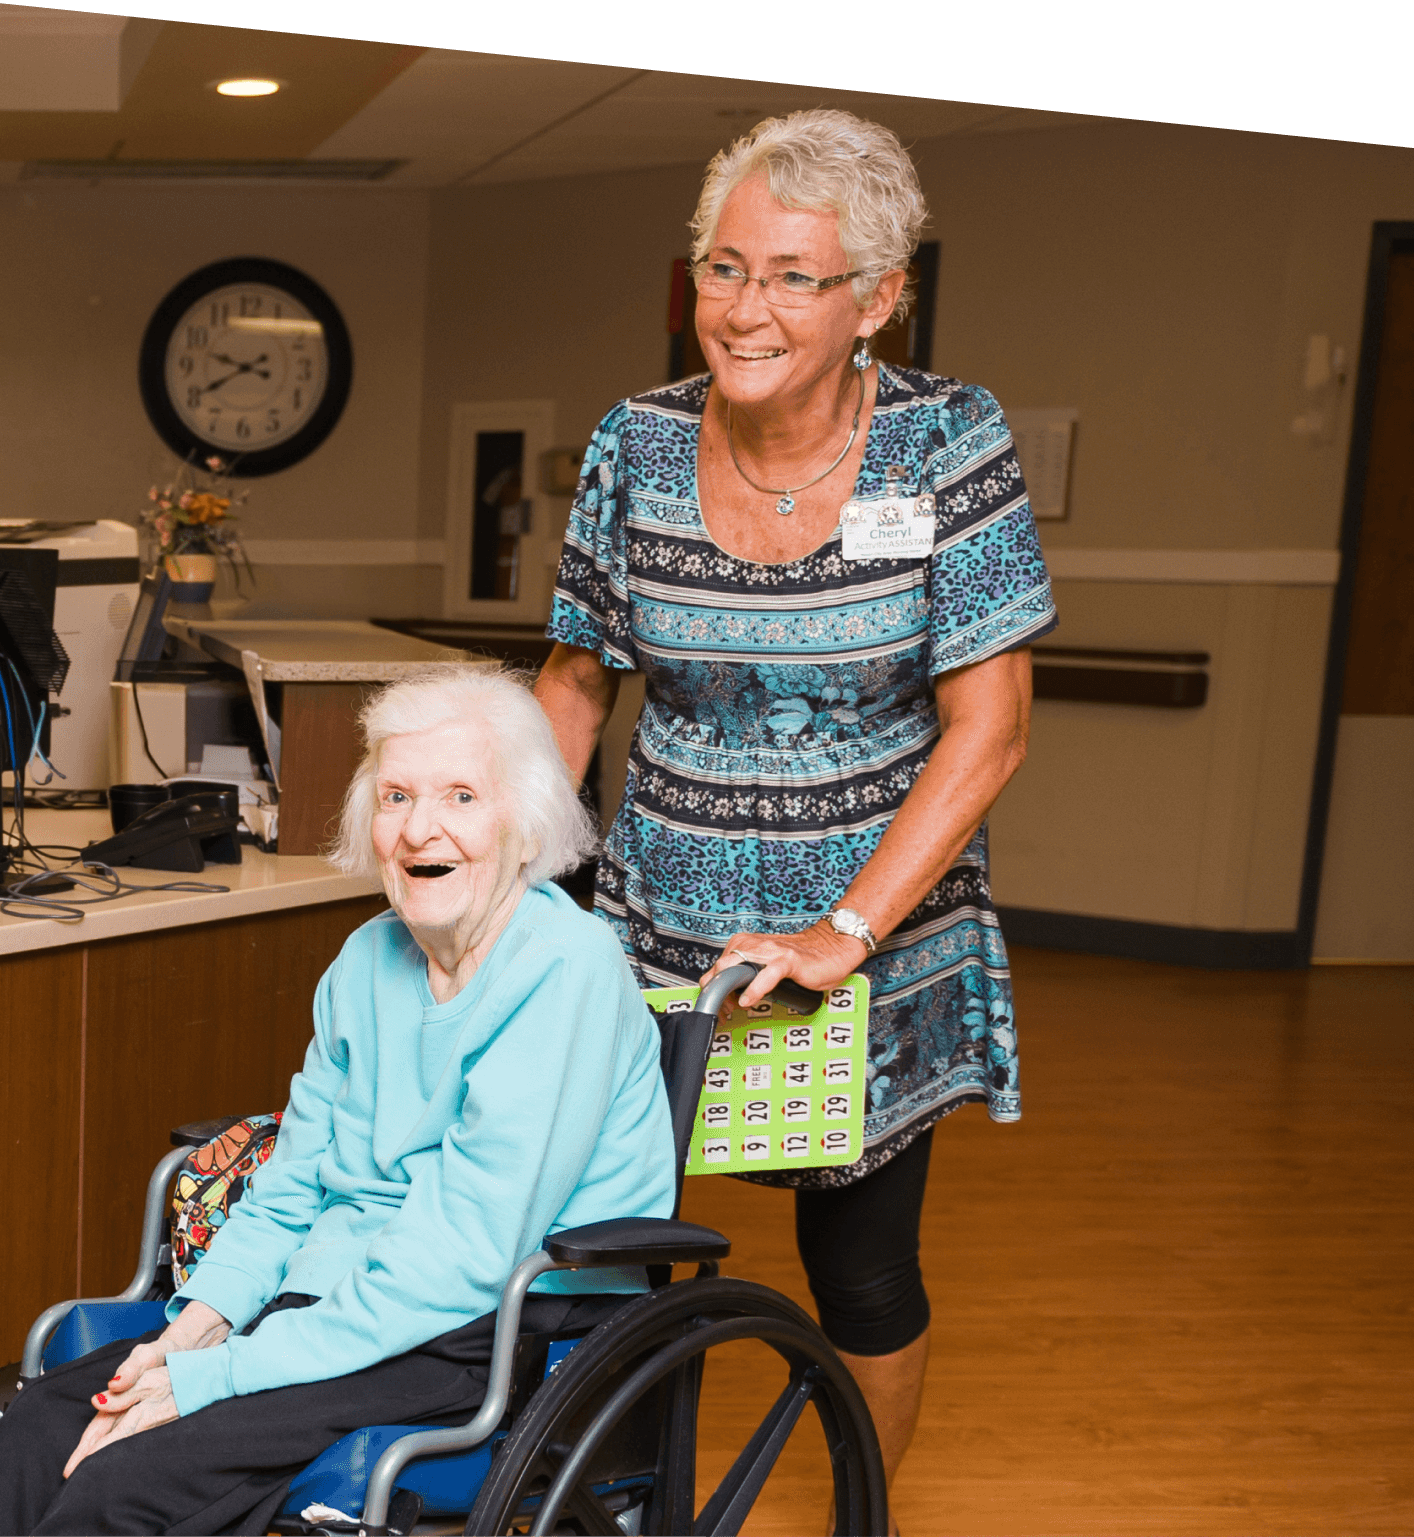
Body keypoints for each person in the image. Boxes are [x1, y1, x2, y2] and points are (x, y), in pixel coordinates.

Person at [532, 108, 1053, 1499]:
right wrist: (507, 875)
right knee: (600, 1232)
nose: (741, 308)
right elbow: (578, 684)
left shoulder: (947, 442)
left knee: (861, 1266)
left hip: (870, 932)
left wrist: (847, 928)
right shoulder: (635, 445)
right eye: (721, 267)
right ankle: (608, 1503)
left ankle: (859, 1510)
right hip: (659, 919)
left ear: (880, 297)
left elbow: (988, 725)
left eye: (791, 276)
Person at [0, 668, 675, 1536]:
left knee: (127, 1481)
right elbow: (292, 1185)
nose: (419, 827)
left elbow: (467, 1252)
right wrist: (196, 1329)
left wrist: (221, 1376)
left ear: (525, 822)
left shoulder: (564, 969)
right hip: (334, 1307)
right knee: (40, 1428)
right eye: (396, 794)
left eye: (462, 795)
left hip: (487, 1323)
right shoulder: (364, 961)